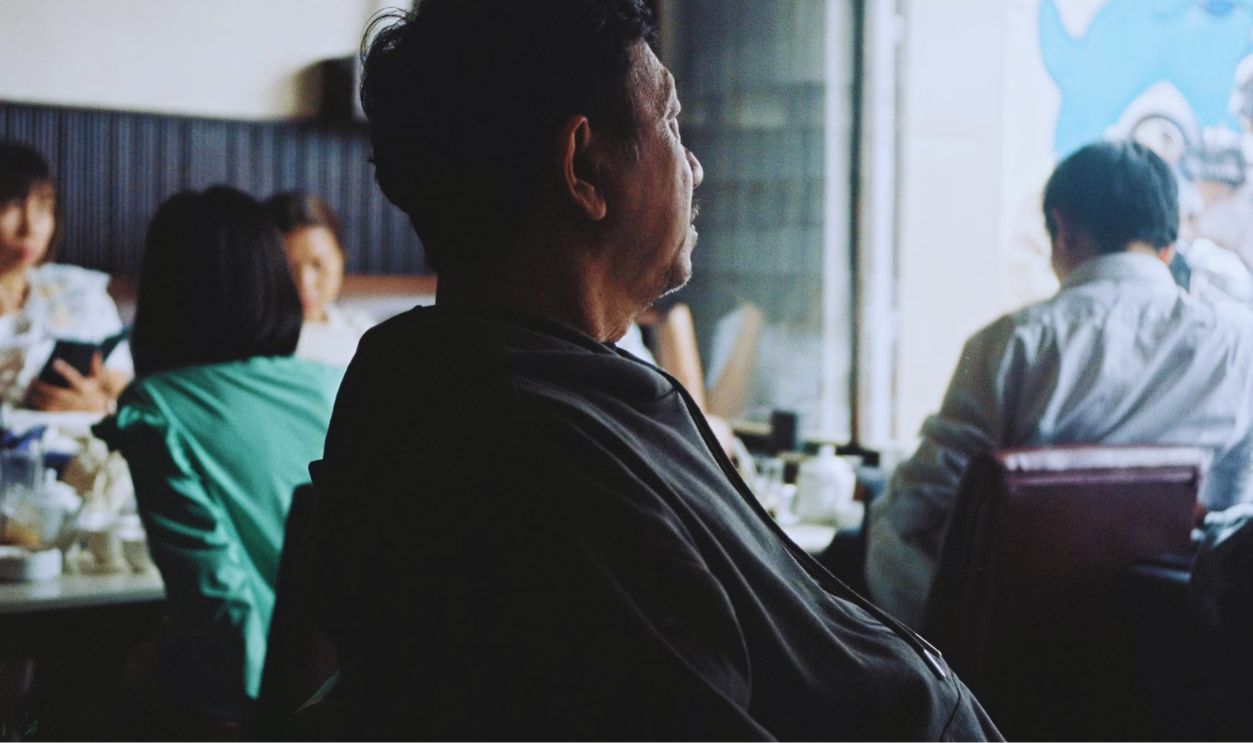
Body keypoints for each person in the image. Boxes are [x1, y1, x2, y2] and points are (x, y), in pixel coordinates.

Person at [306, 1, 1000, 739]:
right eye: (669, 121)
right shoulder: (532, 451)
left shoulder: (535, 388)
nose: (694, 164)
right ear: (582, 166)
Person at [868, 141, 1253, 628]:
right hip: (1153, 645)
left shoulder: (1013, 343)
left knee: (887, 523)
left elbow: (925, 497)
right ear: (1167, 243)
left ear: (1063, 228)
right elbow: (1231, 511)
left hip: (1011, 642)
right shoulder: (1238, 343)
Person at [95, 186, 343, 730]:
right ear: (273, 282)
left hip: (260, 711)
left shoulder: (155, 408)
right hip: (360, 699)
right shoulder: (335, 384)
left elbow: (218, 605)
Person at [0, 140, 132, 412]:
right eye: (11, 208)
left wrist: (99, 403)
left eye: (42, 208)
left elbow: (122, 390)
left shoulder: (77, 292)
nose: (30, 227)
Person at [265, 192, 374, 366]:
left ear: (341, 258)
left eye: (318, 264)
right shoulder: (254, 343)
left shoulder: (359, 329)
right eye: (287, 268)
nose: (304, 283)